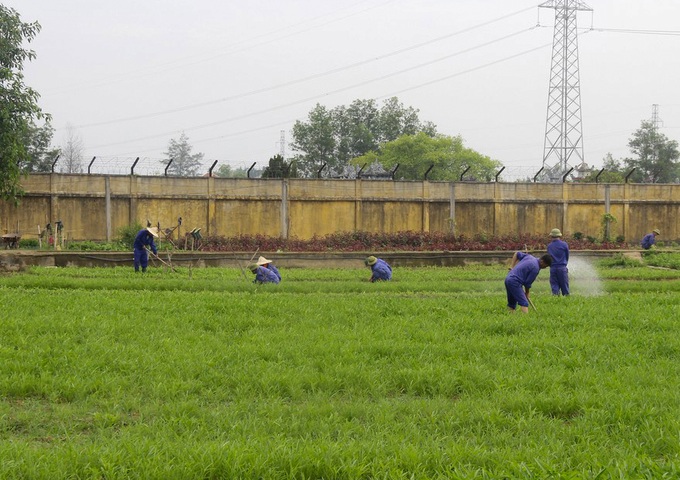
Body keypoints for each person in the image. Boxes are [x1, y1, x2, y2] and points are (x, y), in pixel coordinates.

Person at [547, 228, 569, 296]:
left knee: (554, 284)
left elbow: (549, 257)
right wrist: (565, 265)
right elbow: (567, 256)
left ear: (551, 236)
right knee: (564, 284)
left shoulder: (549, 246)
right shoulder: (564, 244)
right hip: (562, 268)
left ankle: (556, 297)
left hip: (553, 268)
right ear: (559, 236)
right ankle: (566, 297)